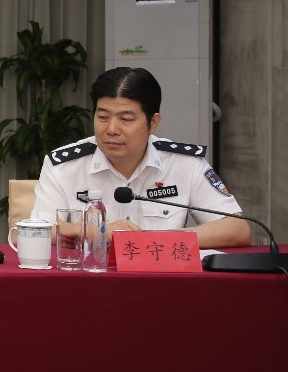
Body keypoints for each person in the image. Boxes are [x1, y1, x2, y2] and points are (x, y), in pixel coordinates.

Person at [34, 66, 250, 248]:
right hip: (91, 278)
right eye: (103, 117)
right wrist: (91, 231)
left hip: (160, 280)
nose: (111, 129)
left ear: (153, 123)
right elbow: (34, 231)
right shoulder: (63, 165)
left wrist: (151, 240)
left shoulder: (185, 163)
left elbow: (237, 229)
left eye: (126, 119)